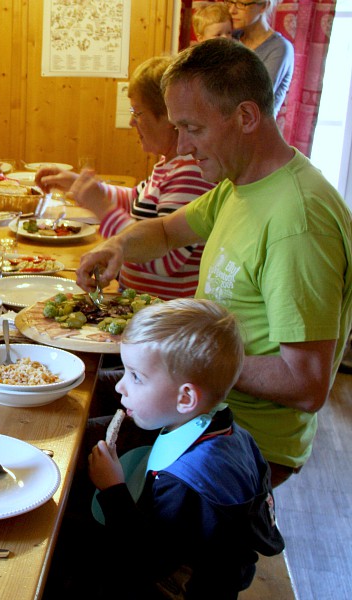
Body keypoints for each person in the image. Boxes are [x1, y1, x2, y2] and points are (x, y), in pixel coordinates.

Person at [77, 38, 352, 487]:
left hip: (238, 446)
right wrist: (118, 247)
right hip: (195, 409)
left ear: (246, 116)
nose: (181, 146)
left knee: (69, 478)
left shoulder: (298, 223)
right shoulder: (243, 182)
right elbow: (166, 231)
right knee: (66, 401)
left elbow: (306, 385)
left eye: (193, 128)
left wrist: (184, 361)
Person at [79, 299, 283, 599]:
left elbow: (146, 560)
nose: (121, 386)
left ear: (186, 399)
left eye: (135, 376)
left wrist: (112, 489)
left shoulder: (186, 483)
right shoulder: (224, 429)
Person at [36, 56, 215, 301]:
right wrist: (78, 183)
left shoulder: (190, 173)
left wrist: (102, 207)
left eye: (138, 113)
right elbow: (134, 199)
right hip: (139, 304)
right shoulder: (169, 164)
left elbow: (165, 260)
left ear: (169, 117)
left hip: (162, 316)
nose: (132, 121)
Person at [228, 0, 293, 114]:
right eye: (230, 2)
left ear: (264, 6)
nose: (231, 10)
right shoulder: (230, 37)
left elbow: (255, 99)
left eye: (242, 4)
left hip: (256, 130)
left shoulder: (279, 48)